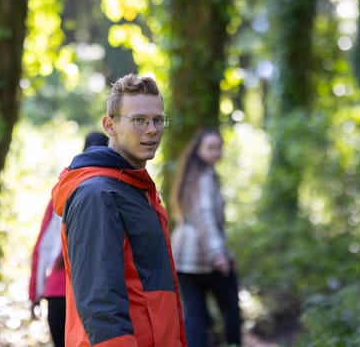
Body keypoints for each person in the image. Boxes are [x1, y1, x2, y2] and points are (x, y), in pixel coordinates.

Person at [51, 73, 187, 347]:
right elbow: (100, 303)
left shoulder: (135, 189)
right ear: (110, 126)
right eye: (139, 120)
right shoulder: (97, 195)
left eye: (158, 120)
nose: (151, 129)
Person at [29, 131, 109, 347]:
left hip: (59, 290)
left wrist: (34, 294)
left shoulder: (63, 190)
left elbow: (43, 247)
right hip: (99, 294)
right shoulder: (119, 189)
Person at [170, 128, 242, 347]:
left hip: (182, 256)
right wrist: (219, 253)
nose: (216, 152)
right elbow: (206, 216)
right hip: (201, 256)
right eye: (210, 147)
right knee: (230, 309)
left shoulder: (190, 175)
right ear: (198, 150)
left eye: (219, 147)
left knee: (195, 315)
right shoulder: (203, 177)